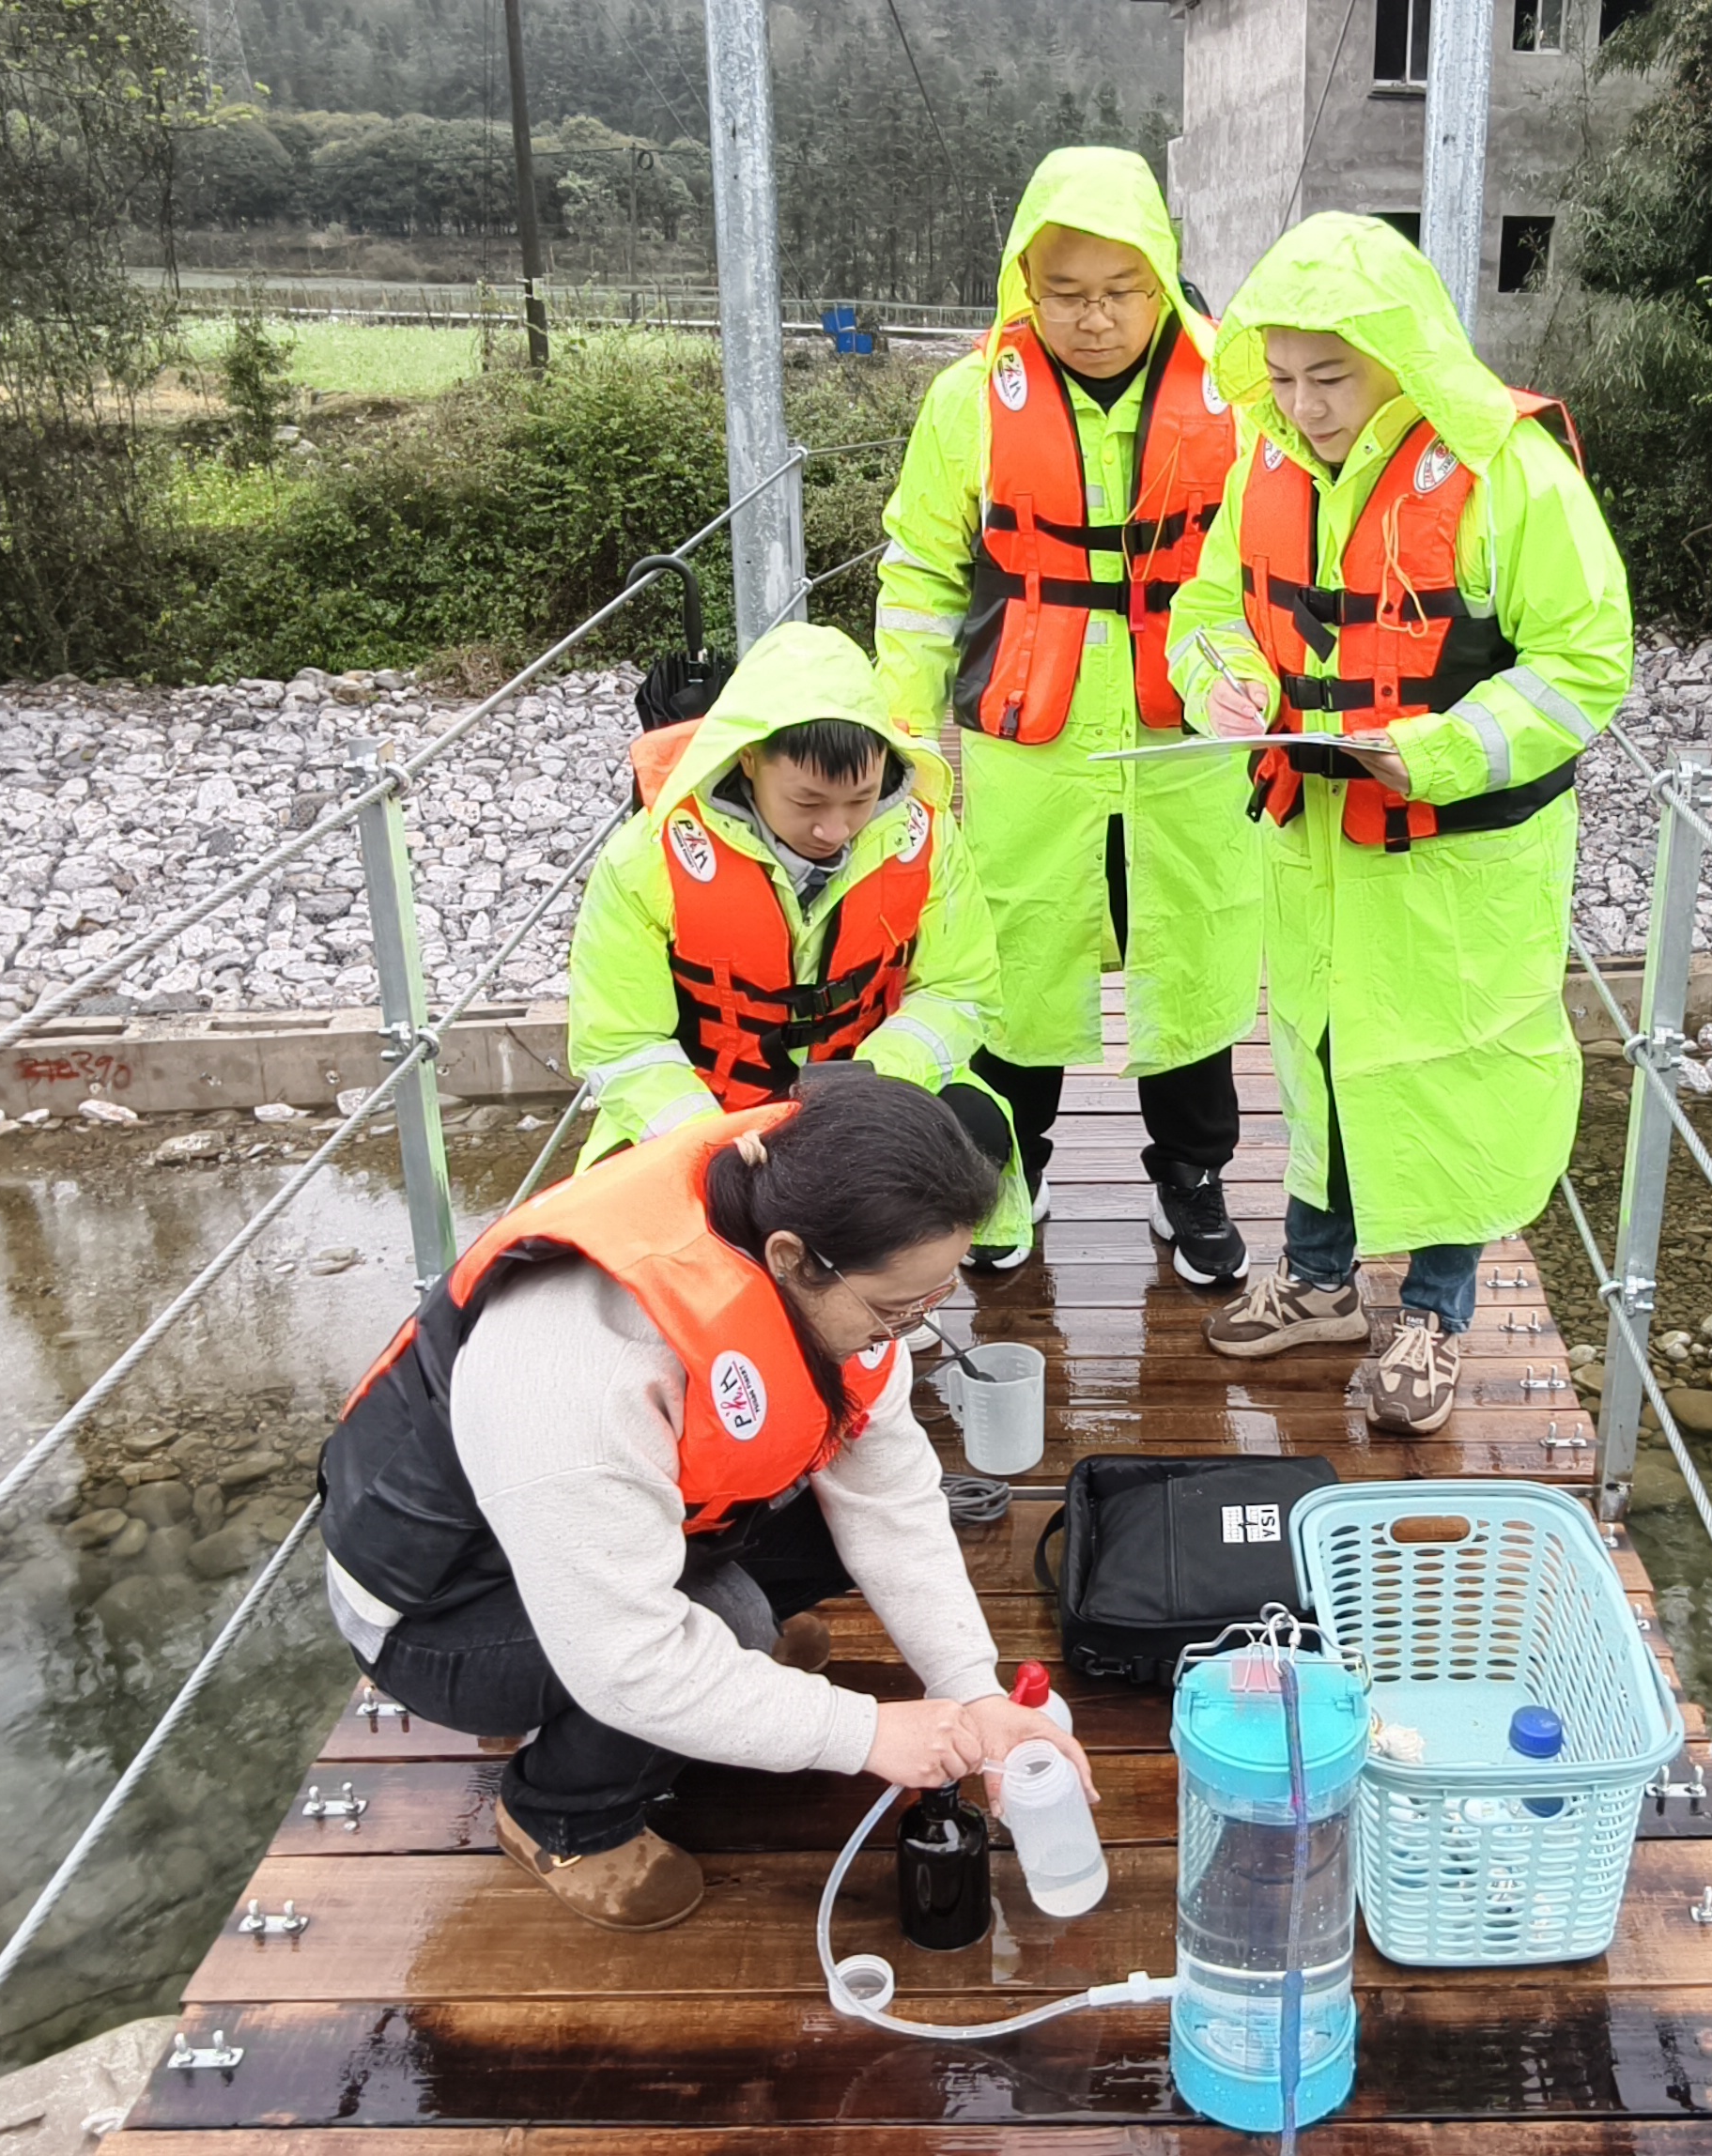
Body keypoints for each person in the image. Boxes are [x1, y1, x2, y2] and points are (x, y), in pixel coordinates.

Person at [315, 1079, 1090, 1932]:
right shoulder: (578, 1365)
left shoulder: (829, 1269)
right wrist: (866, 1733)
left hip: (610, 1529)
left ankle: (730, 1677)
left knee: (848, 1526)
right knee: (724, 1628)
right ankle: (561, 1817)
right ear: (795, 1256)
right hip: (442, 1611)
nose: (905, 1332)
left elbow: (893, 1503)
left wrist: (971, 1690)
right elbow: (631, 1660)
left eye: (931, 1302)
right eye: (894, 1308)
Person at [1166, 212, 1635, 1434]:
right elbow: (1211, 605)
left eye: (1329, 377)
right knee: (1317, 1066)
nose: (1303, 405)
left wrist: (1421, 753)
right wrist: (1223, 677)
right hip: (1312, 845)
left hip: (1458, 858)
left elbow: (1584, 664)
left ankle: (1436, 1310)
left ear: (1399, 357)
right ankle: (1321, 1286)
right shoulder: (1266, 465)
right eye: (1279, 378)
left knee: (1451, 1073)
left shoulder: (1505, 471)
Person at [874, 146, 1259, 1284]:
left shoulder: (1235, 398)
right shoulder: (965, 404)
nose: (1094, 320)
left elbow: (1262, 573)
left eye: (1120, 292)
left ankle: (1191, 1179)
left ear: (1164, 279)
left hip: (1183, 740)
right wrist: (902, 747)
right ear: (1024, 287)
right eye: (1067, 294)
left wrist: (1248, 683)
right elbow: (921, 577)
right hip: (1025, 743)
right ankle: (1006, 1170)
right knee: (1015, 960)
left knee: (1190, 955)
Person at [564, 620, 1027, 1242]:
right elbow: (619, 1043)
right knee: (627, 1208)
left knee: (974, 1130)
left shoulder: (929, 839)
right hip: (711, 1112)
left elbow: (960, 992)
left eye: (860, 799)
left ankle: (892, 1301)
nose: (834, 829)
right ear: (748, 758)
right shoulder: (644, 861)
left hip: (867, 1094)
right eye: (808, 803)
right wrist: (713, 1136)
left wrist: (872, 1082)